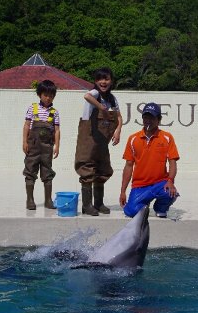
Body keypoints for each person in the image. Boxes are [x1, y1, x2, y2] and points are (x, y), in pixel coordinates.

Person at [75, 67, 122, 216]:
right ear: (95, 81)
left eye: (106, 79)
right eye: (100, 79)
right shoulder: (95, 94)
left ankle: (99, 203)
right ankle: (86, 205)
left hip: (102, 143)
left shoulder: (112, 99)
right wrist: (101, 107)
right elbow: (87, 96)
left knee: (103, 170)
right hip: (88, 140)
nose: (103, 82)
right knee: (87, 169)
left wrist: (118, 130)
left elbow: (119, 117)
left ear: (111, 81)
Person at [119, 102, 179, 218]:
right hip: (139, 186)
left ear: (159, 120)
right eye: (146, 117)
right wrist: (123, 191)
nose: (148, 120)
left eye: (152, 117)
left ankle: (160, 208)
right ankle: (143, 203)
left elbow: (172, 162)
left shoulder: (167, 137)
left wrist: (170, 181)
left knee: (171, 193)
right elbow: (128, 165)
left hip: (160, 183)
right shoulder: (133, 139)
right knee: (131, 212)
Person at [23, 80, 60, 210]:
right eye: (45, 95)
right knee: (30, 171)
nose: (48, 98)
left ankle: (48, 200)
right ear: (40, 94)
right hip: (33, 146)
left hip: (47, 148)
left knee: (47, 172)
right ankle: (30, 200)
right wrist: (24, 142)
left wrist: (57, 146)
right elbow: (27, 125)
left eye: (51, 95)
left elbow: (57, 130)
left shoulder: (54, 112)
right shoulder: (32, 108)